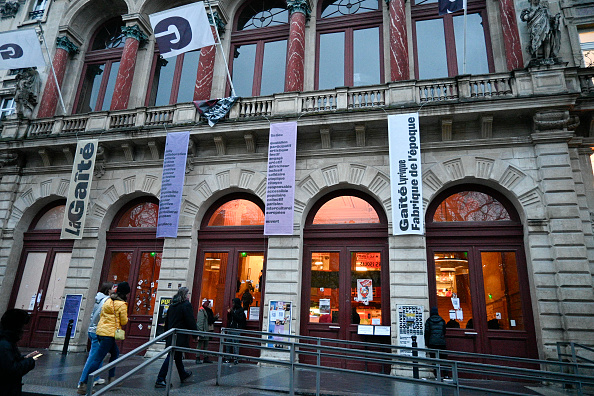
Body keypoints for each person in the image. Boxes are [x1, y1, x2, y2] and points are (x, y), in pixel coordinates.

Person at [77, 281, 130, 395]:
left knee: (115, 353)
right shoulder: (122, 305)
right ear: (125, 294)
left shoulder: (108, 301)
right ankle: (84, 384)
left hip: (100, 332)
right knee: (97, 359)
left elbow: (101, 315)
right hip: (109, 335)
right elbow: (124, 321)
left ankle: (111, 379)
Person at [155, 287, 197, 388]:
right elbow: (190, 321)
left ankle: (182, 374)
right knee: (172, 355)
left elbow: (167, 321)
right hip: (180, 335)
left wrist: (166, 333)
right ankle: (160, 379)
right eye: (188, 294)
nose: (189, 296)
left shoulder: (173, 305)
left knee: (177, 355)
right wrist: (195, 335)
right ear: (185, 294)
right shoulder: (186, 305)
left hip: (171, 334)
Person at [0, 309, 40, 396]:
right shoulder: (5, 344)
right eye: (22, 327)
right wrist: (30, 361)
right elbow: (12, 370)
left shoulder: (7, 341)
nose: (23, 330)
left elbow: (8, 361)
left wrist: (24, 358)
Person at [424, 307, 447, 378]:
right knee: (443, 359)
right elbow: (444, 331)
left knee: (434, 359)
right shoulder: (442, 320)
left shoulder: (429, 321)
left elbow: (427, 333)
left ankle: (437, 375)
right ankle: (446, 375)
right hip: (441, 342)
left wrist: (427, 343)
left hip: (432, 343)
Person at [196, 298, 218, 364]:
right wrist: (200, 332)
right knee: (199, 344)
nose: (210, 305)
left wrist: (216, 317)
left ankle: (205, 357)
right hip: (203, 330)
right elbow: (200, 322)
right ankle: (197, 358)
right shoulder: (202, 311)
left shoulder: (209, 311)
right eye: (209, 304)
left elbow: (210, 320)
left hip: (207, 330)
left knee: (206, 344)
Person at [225, 297, 246, 364]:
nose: (233, 304)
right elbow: (229, 318)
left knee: (235, 344)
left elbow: (239, 319)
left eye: (234, 303)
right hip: (230, 328)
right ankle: (227, 358)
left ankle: (235, 359)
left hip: (236, 329)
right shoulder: (233, 309)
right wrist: (229, 313)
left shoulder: (241, 310)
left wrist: (232, 313)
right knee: (228, 344)